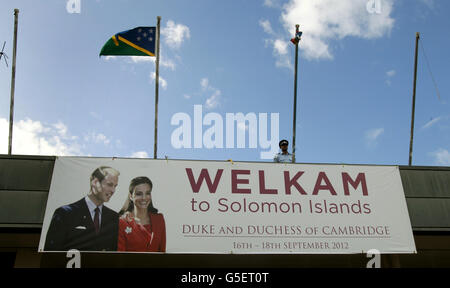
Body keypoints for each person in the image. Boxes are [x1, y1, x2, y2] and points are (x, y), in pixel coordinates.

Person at [44, 166, 120, 251]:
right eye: (109, 184)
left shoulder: (114, 217)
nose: (113, 190)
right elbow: (50, 253)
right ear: (95, 182)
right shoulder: (65, 213)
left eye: (115, 186)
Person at [118, 176, 166, 252]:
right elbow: (120, 257)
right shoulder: (122, 222)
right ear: (131, 196)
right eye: (139, 194)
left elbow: (162, 252)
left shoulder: (159, 219)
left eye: (147, 193)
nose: (144, 198)